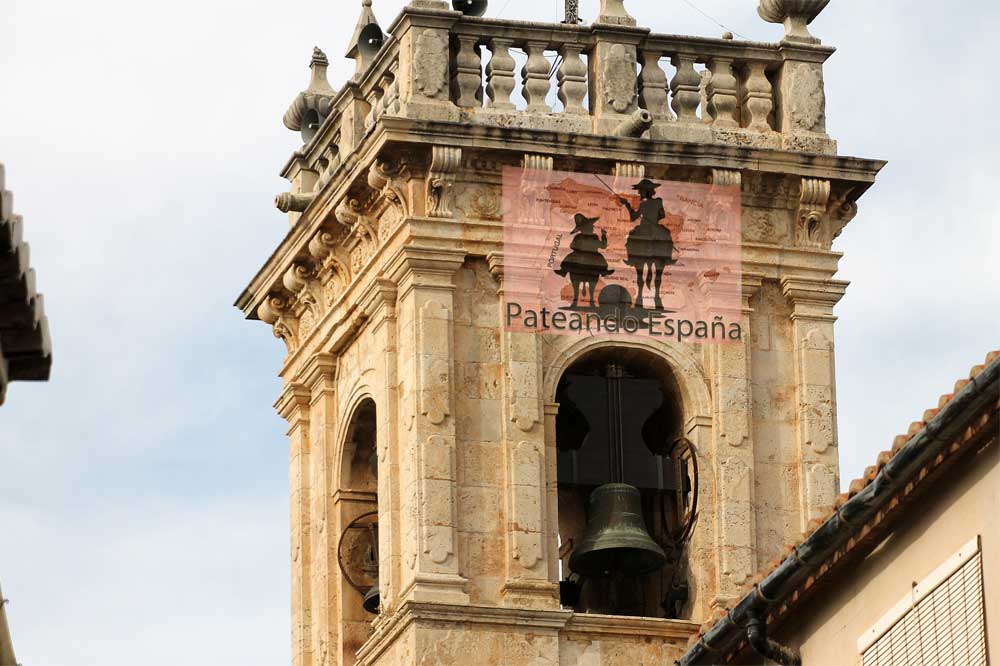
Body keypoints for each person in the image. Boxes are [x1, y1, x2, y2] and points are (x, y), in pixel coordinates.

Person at [618, 179, 676, 310]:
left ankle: (631, 260)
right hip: (656, 230)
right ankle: (667, 258)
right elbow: (662, 216)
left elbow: (633, 217)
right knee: (667, 237)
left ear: (646, 191)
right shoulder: (658, 201)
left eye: (640, 190)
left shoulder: (643, 204)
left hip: (644, 229)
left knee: (631, 239)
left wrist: (627, 204)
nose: (639, 192)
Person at [554, 214, 614, 308]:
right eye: (591, 226)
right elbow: (603, 246)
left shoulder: (579, 237)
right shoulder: (593, 237)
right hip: (593, 257)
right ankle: (604, 272)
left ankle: (563, 271)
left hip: (580, 257)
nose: (593, 227)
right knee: (600, 260)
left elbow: (572, 246)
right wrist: (603, 235)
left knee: (569, 259)